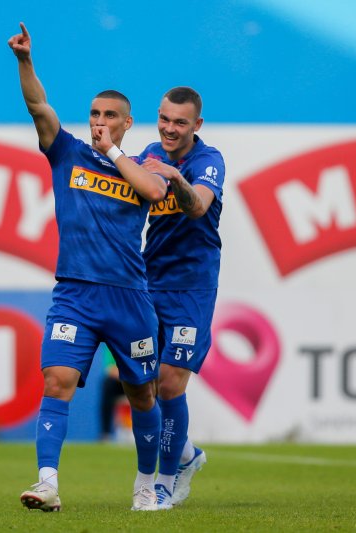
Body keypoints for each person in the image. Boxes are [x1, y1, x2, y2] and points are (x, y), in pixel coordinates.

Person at [8, 23, 168, 512]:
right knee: (56, 380)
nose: (99, 121)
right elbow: (39, 108)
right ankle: (47, 483)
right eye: (95, 113)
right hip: (75, 293)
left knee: (141, 394)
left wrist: (114, 153)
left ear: (126, 122)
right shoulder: (68, 152)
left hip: (128, 298)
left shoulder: (146, 164)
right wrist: (25, 62)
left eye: (109, 115)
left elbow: (156, 193)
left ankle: (145, 483)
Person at [138, 86, 226, 509]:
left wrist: (174, 176)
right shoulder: (149, 153)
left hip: (192, 288)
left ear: (197, 125)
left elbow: (197, 207)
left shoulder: (208, 162)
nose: (170, 129)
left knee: (172, 383)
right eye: (165, 119)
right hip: (149, 282)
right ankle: (188, 454)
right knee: (143, 385)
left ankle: (166, 482)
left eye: (180, 122)